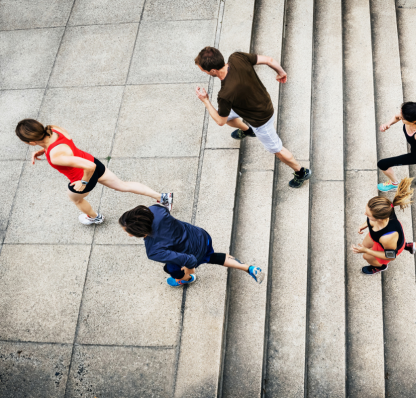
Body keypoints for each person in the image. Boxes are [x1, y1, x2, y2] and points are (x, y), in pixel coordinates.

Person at [194, 46, 312, 188]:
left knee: (277, 150)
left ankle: (301, 172)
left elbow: (220, 121)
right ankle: (247, 130)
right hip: (257, 102)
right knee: (229, 117)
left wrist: (205, 100)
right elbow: (269, 60)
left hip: (261, 119)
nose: (203, 71)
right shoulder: (236, 58)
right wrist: (281, 72)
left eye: (203, 70)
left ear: (212, 71)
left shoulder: (225, 94)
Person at [16, 119, 172, 225]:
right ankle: (163, 197)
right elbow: (61, 146)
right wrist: (43, 150)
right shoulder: (53, 128)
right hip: (93, 162)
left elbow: (88, 167)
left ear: (30, 142)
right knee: (123, 185)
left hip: (82, 177)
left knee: (77, 200)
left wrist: (82, 183)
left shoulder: (55, 156)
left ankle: (95, 218)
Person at [119, 205, 264, 286]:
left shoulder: (153, 250)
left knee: (170, 268)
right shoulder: (156, 211)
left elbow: (190, 261)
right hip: (201, 236)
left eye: (129, 232)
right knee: (211, 256)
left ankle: (186, 280)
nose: (128, 235)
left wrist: (188, 273)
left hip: (193, 253)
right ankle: (249, 268)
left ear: (139, 232)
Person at [352, 178, 416, 275]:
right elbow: (372, 218)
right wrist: (365, 224)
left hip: (388, 242)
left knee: (366, 256)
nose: (365, 214)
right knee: (365, 244)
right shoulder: (386, 209)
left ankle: (381, 267)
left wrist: (366, 251)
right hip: (382, 237)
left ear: (379, 219)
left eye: (368, 215)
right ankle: (406, 245)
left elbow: (391, 256)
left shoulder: (387, 237)